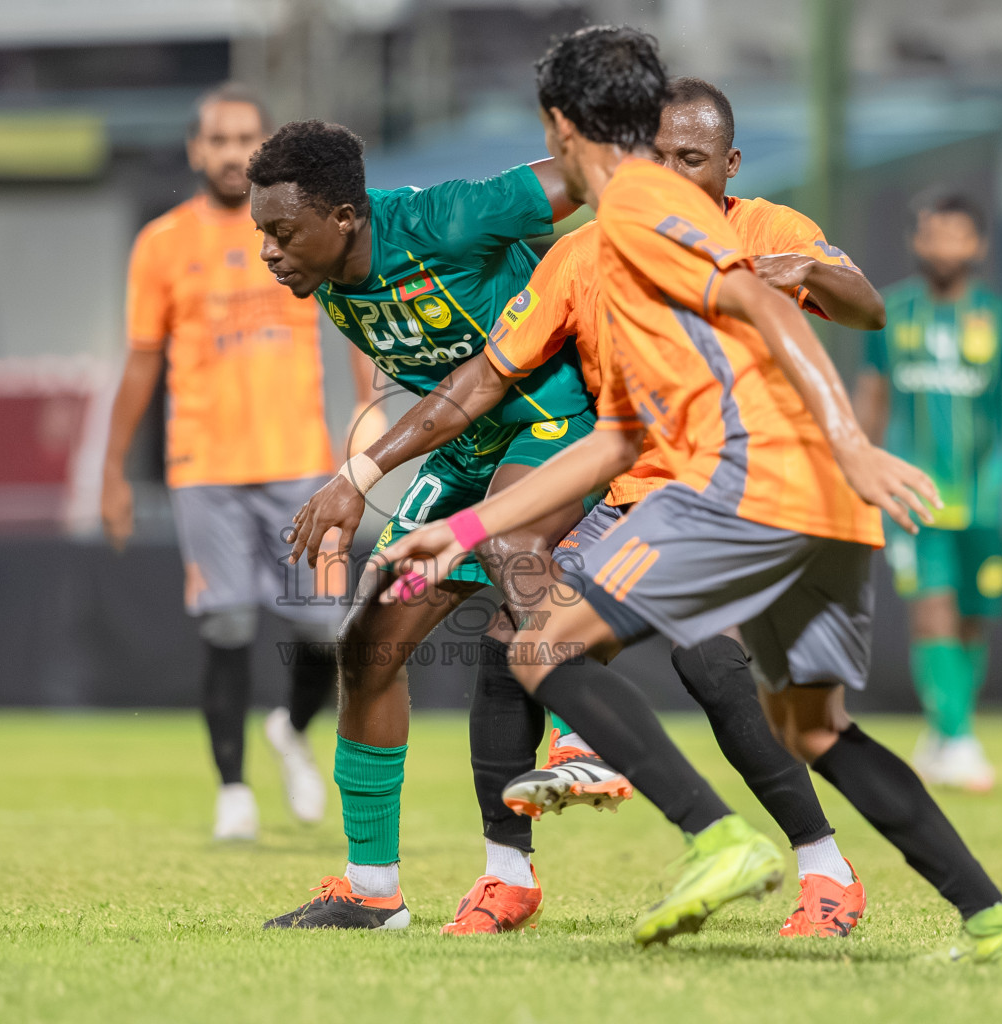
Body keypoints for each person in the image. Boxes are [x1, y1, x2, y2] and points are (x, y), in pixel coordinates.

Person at [379, 25, 1002, 965]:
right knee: (813, 727)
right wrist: (470, 525)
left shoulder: (639, 207)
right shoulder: (602, 248)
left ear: (561, 125)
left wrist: (853, 441)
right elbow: (618, 437)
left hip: (740, 482)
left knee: (543, 644)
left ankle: (714, 835)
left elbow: (770, 305)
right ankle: (991, 922)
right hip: (811, 500)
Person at [301, 75, 885, 938]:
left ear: (729, 165)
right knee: (506, 641)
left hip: (735, 495)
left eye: (692, 158)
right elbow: (489, 376)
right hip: (619, 487)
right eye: (656, 157)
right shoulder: (589, 252)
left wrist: (809, 271)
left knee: (707, 662)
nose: (671, 174)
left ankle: (824, 870)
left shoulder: (766, 232)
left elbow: (865, 309)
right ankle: (502, 875)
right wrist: (363, 471)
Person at [248, 120, 597, 931]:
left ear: (344, 217)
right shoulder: (326, 274)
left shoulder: (448, 218)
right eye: (262, 232)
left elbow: (585, 176)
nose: (268, 251)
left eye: (282, 232)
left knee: (510, 550)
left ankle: (586, 739)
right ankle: (372, 890)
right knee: (367, 646)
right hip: (466, 449)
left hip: (555, 422)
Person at [101, 84, 372, 842]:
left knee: (325, 630)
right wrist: (112, 470)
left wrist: (367, 409)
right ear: (195, 149)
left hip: (301, 464)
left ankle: (291, 728)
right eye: (217, 139)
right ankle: (232, 791)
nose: (230, 153)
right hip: (205, 468)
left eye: (244, 138)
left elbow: (355, 315)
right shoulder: (162, 244)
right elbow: (141, 361)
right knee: (224, 625)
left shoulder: (299, 227)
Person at [853, 190, 1002, 791]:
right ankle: (959, 737)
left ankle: (946, 731)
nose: (944, 246)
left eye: (957, 235)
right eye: (933, 234)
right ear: (916, 241)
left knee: (974, 615)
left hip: (985, 491)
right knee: (932, 607)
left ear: (979, 244)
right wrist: (857, 465)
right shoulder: (890, 312)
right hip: (914, 490)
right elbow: (872, 396)